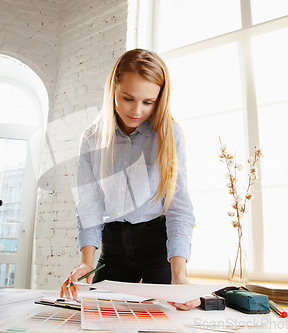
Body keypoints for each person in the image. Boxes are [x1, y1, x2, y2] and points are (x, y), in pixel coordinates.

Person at [60, 49, 199, 310]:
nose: (137, 111)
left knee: (165, 317)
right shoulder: (92, 138)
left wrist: (179, 275)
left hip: (157, 246)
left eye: (149, 102)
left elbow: (179, 206)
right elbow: (89, 205)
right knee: (95, 314)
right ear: (113, 89)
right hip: (113, 247)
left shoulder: (169, 135)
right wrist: (86, 263)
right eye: (128, 98)